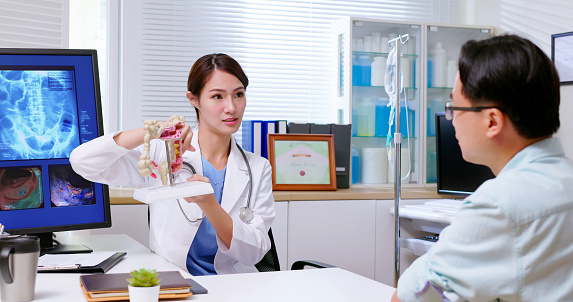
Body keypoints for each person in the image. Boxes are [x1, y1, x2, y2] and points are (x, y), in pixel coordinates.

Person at [393, 34, 573, 301]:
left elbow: (410, 297)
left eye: (454, 107)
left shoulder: (496, 205)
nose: (451, 120)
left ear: (492, 121)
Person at [70, 53, 275, 275]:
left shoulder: (257, 168)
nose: (231, 107)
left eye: (238, 94)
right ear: (194, 99)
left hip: (233, 284)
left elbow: (255, 253)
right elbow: (83, 162)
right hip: (174, 282)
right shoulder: (162, 155)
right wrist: (155, 130)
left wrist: (209, 204)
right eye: (217, 96)